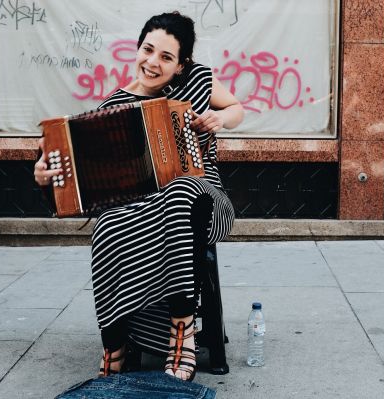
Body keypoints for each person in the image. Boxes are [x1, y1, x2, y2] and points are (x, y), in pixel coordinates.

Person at [34, 11, 244, 381]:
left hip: (205, 195)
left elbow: (236, 108)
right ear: (138, 48)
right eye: (148, 50)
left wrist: (220, 120)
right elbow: (81, 176)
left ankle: (183, 330)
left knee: (180, 189)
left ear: (181, 66)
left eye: (166, 57)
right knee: (108, 223)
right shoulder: (112, 107)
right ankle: (114, 341)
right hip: (142, 203)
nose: (152, 62)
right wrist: (44, 176)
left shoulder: (196, 80)